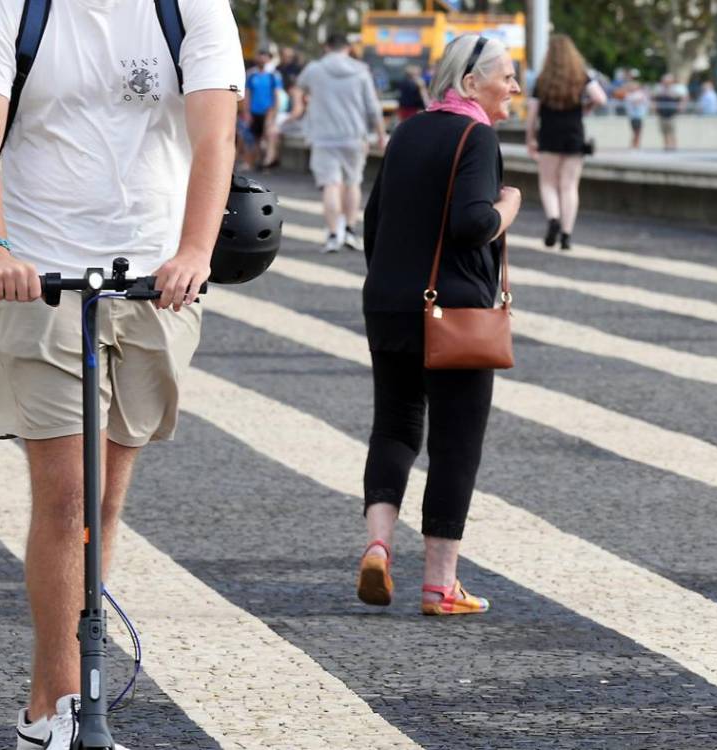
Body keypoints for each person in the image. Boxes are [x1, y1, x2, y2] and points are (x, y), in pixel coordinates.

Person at [0, 0, 242, 739]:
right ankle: (74, 710)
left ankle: (46, 695)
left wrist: (196, 252)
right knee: (68, 495)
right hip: (39, 276)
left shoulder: (193, 8)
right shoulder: (12, 7)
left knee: (104, 503)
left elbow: (215, 136)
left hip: (154, 279)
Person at [359, 33, 522, 616]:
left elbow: (371, 224)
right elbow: (473, 224)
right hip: (454, 313)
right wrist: (511, 204)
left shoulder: (407, 130)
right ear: (472, 81)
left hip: (388, 303)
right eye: (507, 76)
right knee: (455, 445)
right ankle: (439, 584)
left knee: (395, 427)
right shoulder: (475, 135)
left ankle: (377, 543)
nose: (515, 88)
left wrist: (391, 284)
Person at [290, 33, 385, 253]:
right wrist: (381, 134)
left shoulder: (314, 69)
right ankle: (350, 230)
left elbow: (298, 89)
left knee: (330, 185)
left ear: (326, 47)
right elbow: (372, 107)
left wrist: (300, 105)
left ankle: (333, 233)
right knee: (353, 183)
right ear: (348, 48)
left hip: (323, 136)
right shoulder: (361, 71)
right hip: (353, 136)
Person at [526, 34, 606, 251]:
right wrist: (585, 108)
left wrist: (530, 138)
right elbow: (600, 98)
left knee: (548, 183)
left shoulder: (542, 80)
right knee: (570, 186)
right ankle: (567, 235)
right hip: (574, 135)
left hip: (549, 135)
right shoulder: (581, 76)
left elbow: (532, 114)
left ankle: (553, 219)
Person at [244, 50, 281, 170]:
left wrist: (275, 111)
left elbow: (276, 94)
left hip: (268, 110)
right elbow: (248, 93)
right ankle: (259, 161)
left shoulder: (273, 75)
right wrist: (247, 111)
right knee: (256, 138)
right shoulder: (251, 74)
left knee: (268, 135)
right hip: (255, 110)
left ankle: (268, 161)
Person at [654, 73, 686, 150]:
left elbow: (682, 98)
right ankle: (667, 146)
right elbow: (654, 98)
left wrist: (680, 106)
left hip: (671, 114)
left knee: (672, 131)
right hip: (662, 114)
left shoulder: (676, 89)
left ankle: (673, 146)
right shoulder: (659, 89)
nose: (666, 83)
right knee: (664, 132)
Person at [622, 73, 649, 149]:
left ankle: (636, 146)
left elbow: (642, 101)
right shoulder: (629, 95)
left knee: (638, 132)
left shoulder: (640, 94)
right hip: (633, 116)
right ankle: (634, 146)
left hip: (639, 116)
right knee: (635, 132)